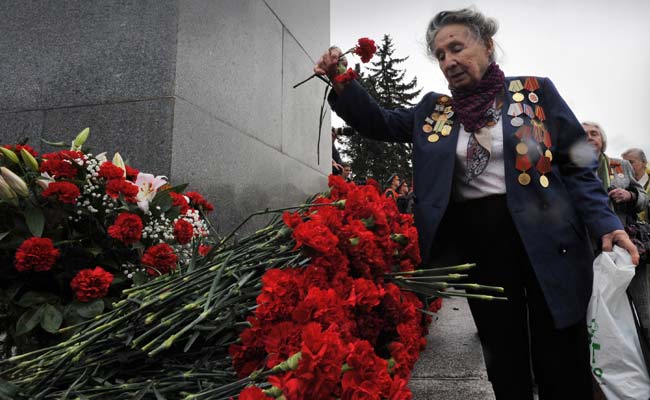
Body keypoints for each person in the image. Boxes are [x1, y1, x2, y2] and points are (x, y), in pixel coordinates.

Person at [314, 7, 639, 400]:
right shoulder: (435, 111)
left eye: (457, 48)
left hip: (550, 237)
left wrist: (607, 223)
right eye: (440, 55)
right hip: (481, 246)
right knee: (503, 352)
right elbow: (380, 122)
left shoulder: (534, 93)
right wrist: (342, 81)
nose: (449, 61)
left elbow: (577, 164)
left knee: (560, 348)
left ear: (486, 45)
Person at [583, 122, 647, 226]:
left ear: (602, 141)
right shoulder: (571, 169)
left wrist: (630, 195)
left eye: (594, 134)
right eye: (584, 135)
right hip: (582, 234)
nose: (589, 137)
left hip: (617, 232)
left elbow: (644, 199)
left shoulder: (621, 165)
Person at [622, 147, 650, 222]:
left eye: (631, 162)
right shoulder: (619, 184)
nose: (626, 166)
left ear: (644, 162)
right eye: (624, 163)